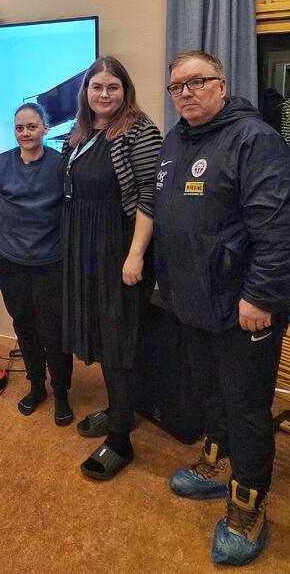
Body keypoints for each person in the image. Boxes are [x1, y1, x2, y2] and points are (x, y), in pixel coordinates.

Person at [154, 51, 290, 567]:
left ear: (222, 84)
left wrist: (260, 295)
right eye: (177, 87)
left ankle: (247, 504)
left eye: (196, 82)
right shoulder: (174, 143)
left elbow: (277, 230)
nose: (185, 93)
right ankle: (217, 464)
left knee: (247, 407)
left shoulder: (255, 140)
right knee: (210, 392)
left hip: (243, 309)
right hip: (192, 302)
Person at [62, 56, 162, 481]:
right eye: (97, 87)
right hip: (83, 246)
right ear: (86, 92)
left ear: (126, 91)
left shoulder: (140, 131)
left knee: (118, 337)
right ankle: (121, 409)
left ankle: (121, 439)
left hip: (119, 248)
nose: (104, 94)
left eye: (113, 87)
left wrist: (136, 254)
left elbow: (149, 195)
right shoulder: (82, 131)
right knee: (102, 332)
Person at [0, 103, 73, 424]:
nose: (25, 133)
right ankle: (37, 387)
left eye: (32, 127)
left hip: (51, 266)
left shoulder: (61, 165)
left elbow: (72, 215)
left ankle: (61, 393)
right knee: (26, 329)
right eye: (20, 128)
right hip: (10, 264)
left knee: (54, 333)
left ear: (45, 129)